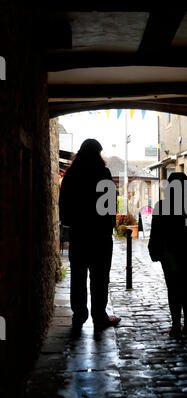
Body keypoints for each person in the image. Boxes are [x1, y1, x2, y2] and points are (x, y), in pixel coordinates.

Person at [59, 138, 120, 334]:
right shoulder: (103, 174)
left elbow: (64, 209)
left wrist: (74, 223)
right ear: (98, 154)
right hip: (100, 236)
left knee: (78, 277)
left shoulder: (71, 175)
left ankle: (79, 316)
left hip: (79, 235)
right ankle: (99, 316)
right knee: (100, 278)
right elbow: (110, 207)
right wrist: (107, 226)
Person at [148, 172, 187, 339]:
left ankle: (176, 325)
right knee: (186, 288)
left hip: (169, 256)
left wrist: (154, 251)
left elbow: (155, 233)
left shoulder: (161, 206)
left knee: (173, 288)